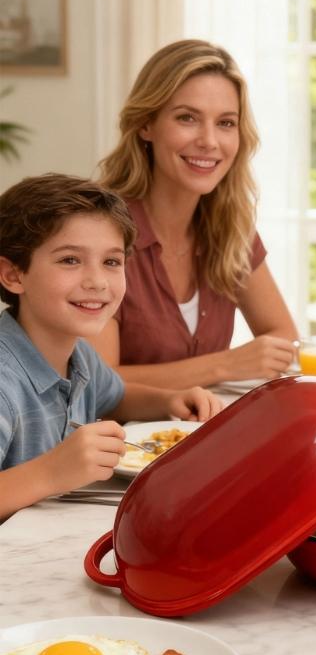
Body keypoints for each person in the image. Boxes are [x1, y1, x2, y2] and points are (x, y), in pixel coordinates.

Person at [0, 174, 224, 519]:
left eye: (111, 262)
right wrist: (50, 472)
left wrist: (168, 400)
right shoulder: (4, 379)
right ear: (13, 275)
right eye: (70, 260)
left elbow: (116, 396)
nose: (97, 281)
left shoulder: (79, 355)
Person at [94, 39, 298, 390]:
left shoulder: (231, 228)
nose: (209, 141)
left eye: (226, 123)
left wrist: (238, 364)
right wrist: (224, 365)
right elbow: (98, 382)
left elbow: (285, 338)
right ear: (146, 124)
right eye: (187, 118)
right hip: (120, 428)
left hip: (208, 422)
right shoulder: (98, 233)